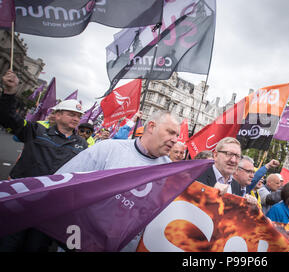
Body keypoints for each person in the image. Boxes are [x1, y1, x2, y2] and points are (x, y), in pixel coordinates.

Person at [55, 110, 181, 251]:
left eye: (177, 135)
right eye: (170, 132)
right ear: (151, 126)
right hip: (80, 243)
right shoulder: (108, 149)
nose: (175, 140)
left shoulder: (172, 172)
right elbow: (61, 185)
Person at [0, 70, 88, 252]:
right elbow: (8, 118)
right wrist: (9, 93)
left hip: (50, 208)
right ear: (56, 115)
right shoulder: (36, 130)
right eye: (71, 114)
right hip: (20, 201)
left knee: (36, 248)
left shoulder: (83, 145)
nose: (76, 118)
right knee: (8, 245)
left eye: (78, 116)